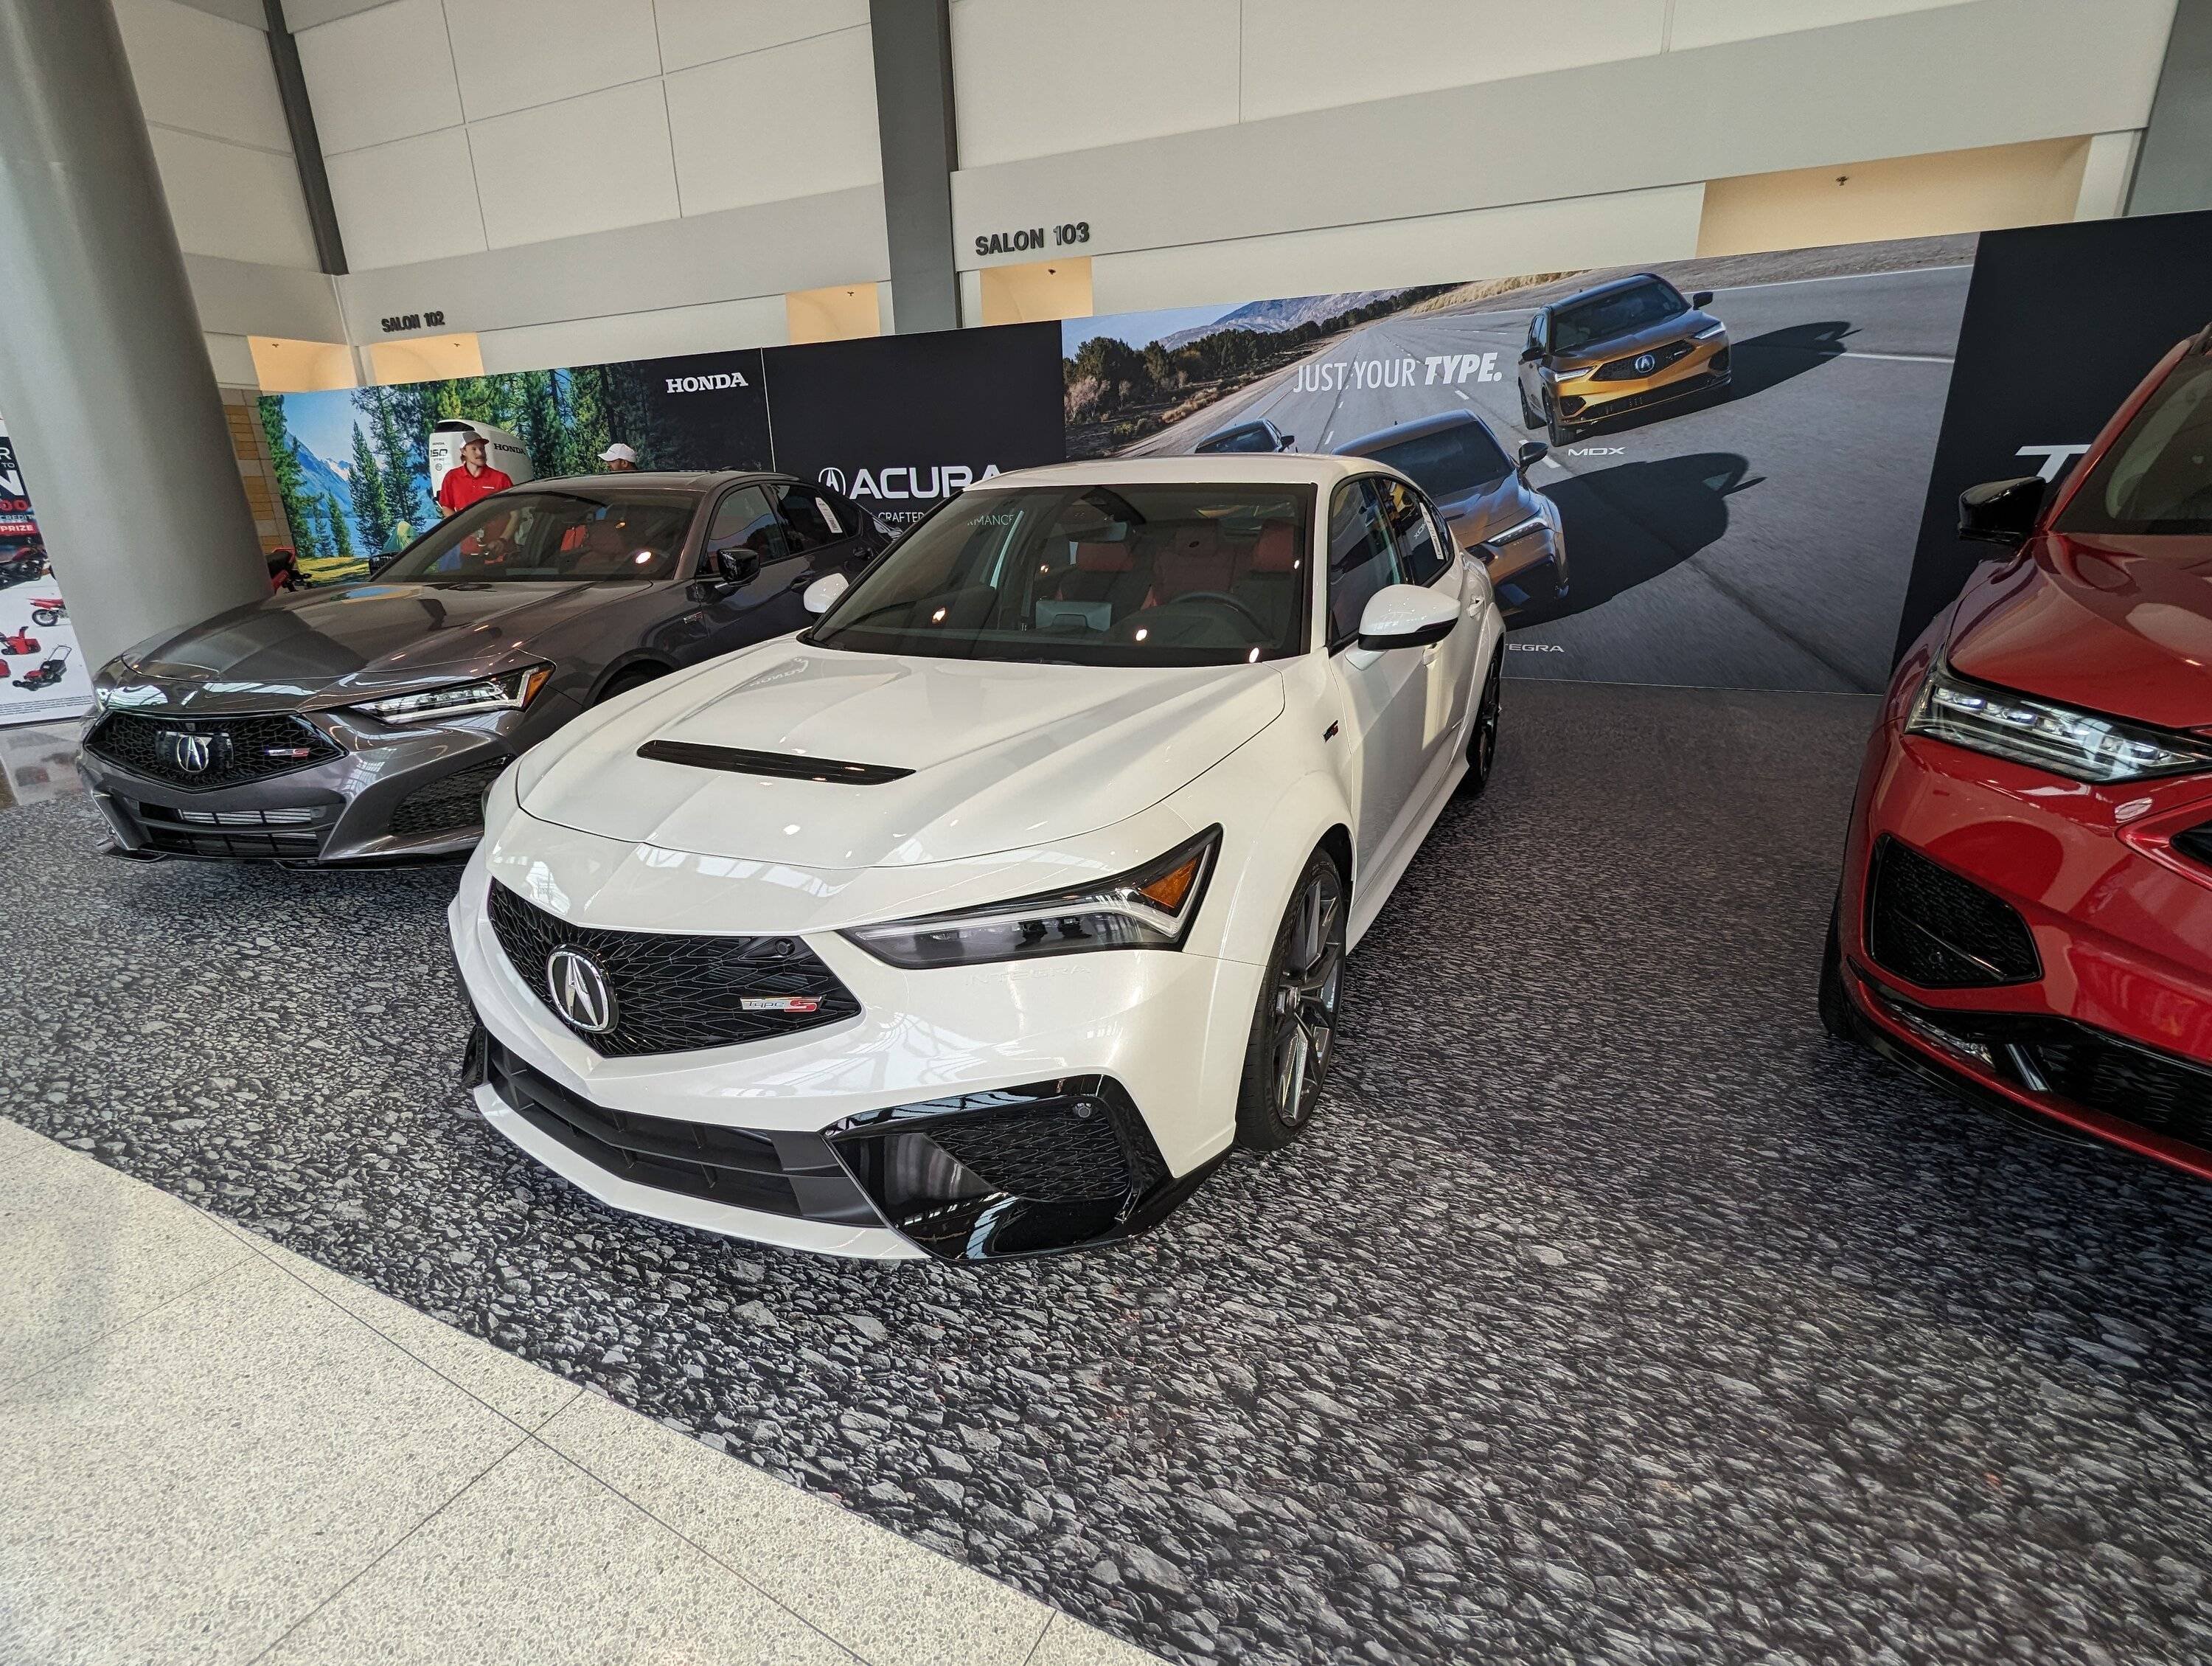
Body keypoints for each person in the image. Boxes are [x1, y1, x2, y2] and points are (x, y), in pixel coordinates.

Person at [437, 431, 512, 516]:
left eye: (482, 448)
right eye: (474, 449)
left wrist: (507, 530)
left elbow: (515, 513)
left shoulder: (501, 479)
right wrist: (461, 527)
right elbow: (447, 507)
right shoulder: (452, 477)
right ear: (463, 451)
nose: (480, 453)